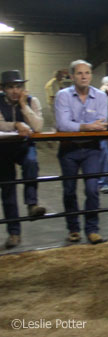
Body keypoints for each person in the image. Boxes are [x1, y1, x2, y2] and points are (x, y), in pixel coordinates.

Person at [55, 60, 107, 244]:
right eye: (79, 73)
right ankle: (73, 228)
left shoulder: (100, 96)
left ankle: (92, 229)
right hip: (69, 148)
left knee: (92, 189)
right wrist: (87, 126)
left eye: (87, 73)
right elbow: (63, 124)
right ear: (71, 76)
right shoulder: (63, 95)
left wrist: (79, 127)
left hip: (91, 149)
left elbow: (102, 122)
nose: (84, 76)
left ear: (91, 75)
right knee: (69, 190)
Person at [0, 70, 46, 249]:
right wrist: (16, 125)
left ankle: (32, 204)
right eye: (10, 87)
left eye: (18, 86)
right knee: (8, 192)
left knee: (31, 162)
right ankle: (14, 232)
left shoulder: (31, 101)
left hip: (24, 147)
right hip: (3, 149)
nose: (15, 90)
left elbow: (38, 127)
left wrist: (23, 107)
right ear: (3, 88)